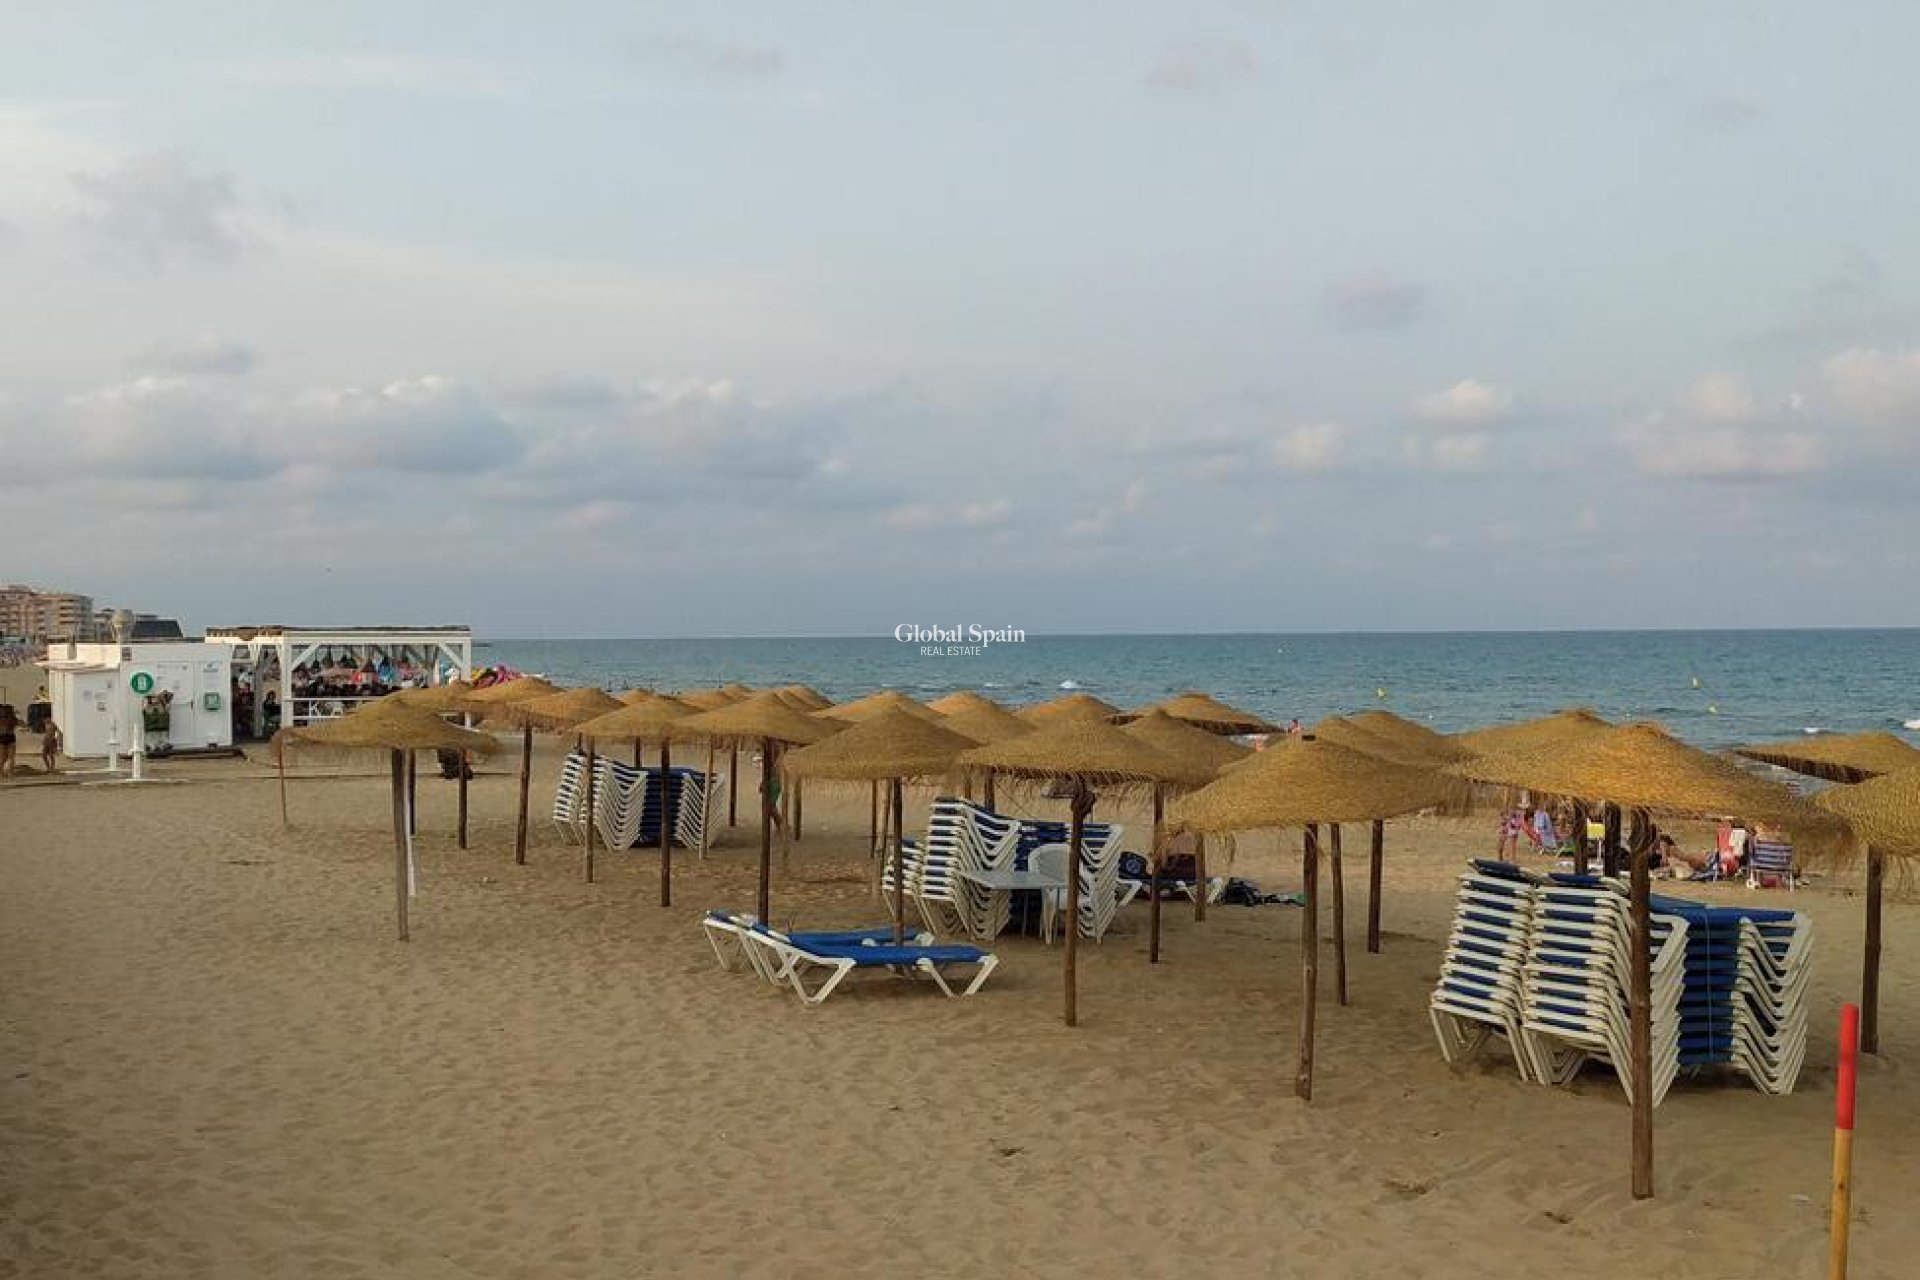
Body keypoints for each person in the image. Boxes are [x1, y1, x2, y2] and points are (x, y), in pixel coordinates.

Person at [0, 704, 17, 779]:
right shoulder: (12, 719)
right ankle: (10, 773)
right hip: (10, 737)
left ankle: (1, 773)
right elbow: (21, 724)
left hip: (1, 737)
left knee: (2, 757)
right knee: (11, 757)